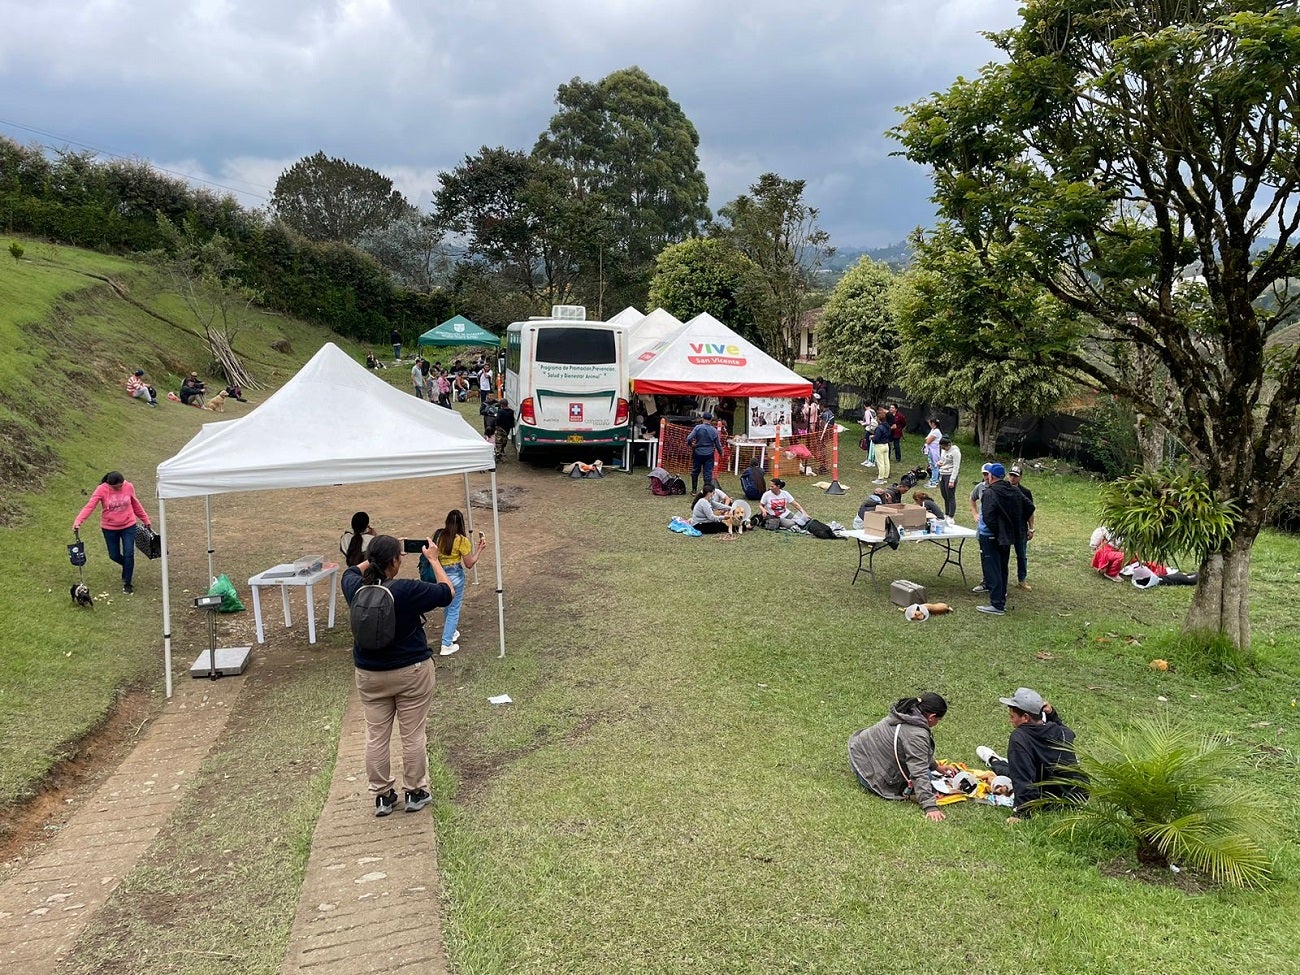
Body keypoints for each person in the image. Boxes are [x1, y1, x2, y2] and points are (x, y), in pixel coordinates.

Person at [342, 535, 453, 816]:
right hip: (411, 671)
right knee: (413, 734)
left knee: (376, 736)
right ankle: (415, 791)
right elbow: (446, 592)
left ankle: (382, 796)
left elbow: (351, 571)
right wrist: (433, 559)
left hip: (369, 675)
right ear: (394, 561)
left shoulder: (355, 589)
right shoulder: (405, 589)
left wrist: (377, 555)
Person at [976, 687, 1086, 822]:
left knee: (1008, 771)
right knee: (1017, 768)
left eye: (1012, 716)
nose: (1010, 720)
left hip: (1049, 800)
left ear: (1026, 717)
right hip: (1078, 795)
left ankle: (993, 760)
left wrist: (1022, 814)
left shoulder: (1020, 737)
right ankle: (996, 761)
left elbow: (1023, 778)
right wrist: (1052, 714)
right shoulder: (1061, 731)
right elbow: (1065, 730)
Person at [848, 692, 956, 822]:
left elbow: (918, 753)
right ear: (932, 717)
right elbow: (918, 771)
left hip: (858, 755)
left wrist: (937, 767)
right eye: (938, 720)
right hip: (869, 775)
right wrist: (930, 806)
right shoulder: (916, 735)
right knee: (927, 779)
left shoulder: (905, 712)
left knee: (929, 775)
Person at [418, 510, 487, 657]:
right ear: (461, 523)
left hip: (440, 575)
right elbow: (469, 563)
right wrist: (480, 549)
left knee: (448, 604)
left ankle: (452, 631)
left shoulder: (438, 536)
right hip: (456, 576)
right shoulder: (462, 540)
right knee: (454, 608)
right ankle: (446, 643)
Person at [73, 471, 152, 594]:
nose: (119, 488)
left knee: (129, 553)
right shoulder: (101, 489)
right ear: (109, 485)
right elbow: (90, 506)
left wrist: (145, 519)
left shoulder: (128, 486)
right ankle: (127, 566)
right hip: (109, 528)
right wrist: (78, 521)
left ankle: (128, 583)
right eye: (116, 487)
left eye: (121, 486)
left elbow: (135, 504)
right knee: (113, 555)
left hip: (128, 525)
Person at [974, 462, 1032, 616]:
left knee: (992, 568)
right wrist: (1014, 524)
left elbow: (988, 517)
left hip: (991, 536)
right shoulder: (1013, 490)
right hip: (1006, 537)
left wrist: (997, 529)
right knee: (1002, 567)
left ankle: (997, 605)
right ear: (1004, 476)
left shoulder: (990, 492)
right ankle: (1001, 597)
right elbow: (1029, 507)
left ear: (991, 476)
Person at [1008, 464, 1036, 590]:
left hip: (1020, 527)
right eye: (1011, 475)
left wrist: (1031, 528)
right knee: (1003, 554)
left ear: (1020, 478)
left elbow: (1030, 511)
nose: (1013, 478)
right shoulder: (1003, 488)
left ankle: (1022, 579)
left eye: (1015, 476)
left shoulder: (1025, 492)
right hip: (1006, 527)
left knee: (1022, 554)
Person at [686, 412, 722, 493]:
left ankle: (694, 490)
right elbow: (718, 445)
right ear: (711, 420)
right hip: (709, 454)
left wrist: (691, 444)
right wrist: (721, 453)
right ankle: (706, 492)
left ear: (702, 419)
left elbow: (689, 438)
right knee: (708, 473)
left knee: (695, 471)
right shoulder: (714, 431)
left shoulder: (697, 428)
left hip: (698, 453)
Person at [936, 436, 961, 519]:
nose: (943, 449)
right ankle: (946, 513)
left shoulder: (955, 452)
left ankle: (951, 516)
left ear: (949, 444)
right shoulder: (943, 450)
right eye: (941, 447)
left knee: (950, 496)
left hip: (950, 474)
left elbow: (956, 466)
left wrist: (952, 480)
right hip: (942, 474)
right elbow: (943, 460)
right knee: (944, 495)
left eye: (944, 447)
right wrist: (939, 463)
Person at [870, 412, 892, 484]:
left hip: (879, 446)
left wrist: (872, 438)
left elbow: (876, 439)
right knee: (886, 461)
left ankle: (880, 478)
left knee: (880, 463)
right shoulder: (888, 426)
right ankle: (886, 476)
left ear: (879, 420)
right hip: (886, 445)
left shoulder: (879, 428)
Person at [923, 419, 943, 486]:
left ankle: (934, 482)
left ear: (933, 423)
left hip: (934, 450)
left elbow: (928, 441)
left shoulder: (936, 431)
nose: (929, 424)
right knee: (932, 465)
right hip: (931, 449)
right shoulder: (933, 430)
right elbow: (926, 439)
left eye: (930, 423)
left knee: (935, 466)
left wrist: (927, 440)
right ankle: (933, 479)